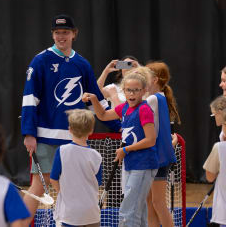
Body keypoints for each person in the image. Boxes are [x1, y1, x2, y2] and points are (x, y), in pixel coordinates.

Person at [20, 14, 120, 219]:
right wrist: (28, 133)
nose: (61, 36)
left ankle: (69, 221)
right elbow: (30, 99)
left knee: (74, 184)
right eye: (57, 32)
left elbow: (97, 101)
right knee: (40, 184)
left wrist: (118, 126)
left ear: (74, 34)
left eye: (65, 32)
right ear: (52, 35)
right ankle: (19, 224)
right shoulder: (40, 61)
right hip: (46, 136)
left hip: (74, 138)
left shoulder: (82, 64)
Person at [82, 67, 158, 227]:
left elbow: (151, 140)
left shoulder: (144, 110)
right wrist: (95, 99)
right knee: (139, 210)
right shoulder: (124, 108)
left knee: (128, 211)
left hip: (143, 164)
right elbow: (102, 115)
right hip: (132, 163)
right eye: (128, 90)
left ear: (144, 91)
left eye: (136, 91)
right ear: (123, 90)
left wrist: (125, 149)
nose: (132, 94)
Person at [50, 109, 102, 227]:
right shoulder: (96, 155)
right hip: (91, 212)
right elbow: (98, 182)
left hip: (71, 213)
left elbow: (53, 179)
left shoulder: (62, 151)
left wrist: (63, 194)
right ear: (91, 131)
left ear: (70, 129)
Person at [145, 62, 181, 227]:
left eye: (145, 75)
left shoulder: (154, 98)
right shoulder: (158, 97)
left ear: (155, 79)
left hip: (156, 157)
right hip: (152, 155)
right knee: (150, 202)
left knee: (157, 202)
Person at [203, 95, 226, 227]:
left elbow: (209, 177)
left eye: (214, 115)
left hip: (222, 213)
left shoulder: (219, 148)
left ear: (220, 114)